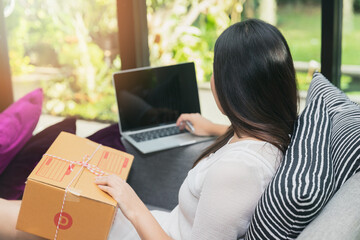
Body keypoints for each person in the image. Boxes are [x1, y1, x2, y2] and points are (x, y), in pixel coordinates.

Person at [0, 18, 298, 240]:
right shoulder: (271, 135)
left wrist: (131, 201)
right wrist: (214, 128)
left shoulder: (237, 173)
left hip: (143, 231)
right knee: (27, 210)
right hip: (152, 226)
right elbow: (247, 153)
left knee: (24, 219)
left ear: (236, 90)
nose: (211, 81)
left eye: (215, 73)